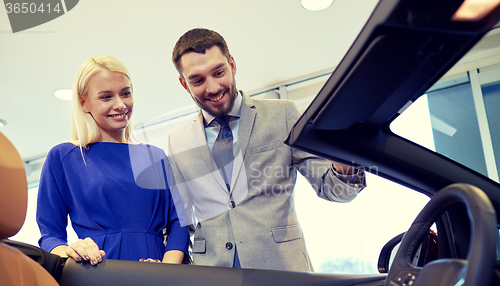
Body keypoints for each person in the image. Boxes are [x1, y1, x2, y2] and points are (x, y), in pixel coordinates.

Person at [166, 28, 366, 271]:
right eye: (197, 80)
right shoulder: (177, 142)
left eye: (219, 72)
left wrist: (345, 160)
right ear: (184, 84)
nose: (212, 88)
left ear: (232, 65)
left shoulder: (283, 114)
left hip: (283, 269)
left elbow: (334, 190)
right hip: (214, 278)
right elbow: (180, 221)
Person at [37, 55, 189, 265]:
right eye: (106, 97)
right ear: (84, 103)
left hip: (160, 274)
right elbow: (50, 235)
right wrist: (73, 251)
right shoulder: (64, 157)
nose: (120, 104)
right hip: (98, 272)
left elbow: (178, 223)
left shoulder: (156, 157)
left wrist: (167, 269)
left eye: (125, 93)